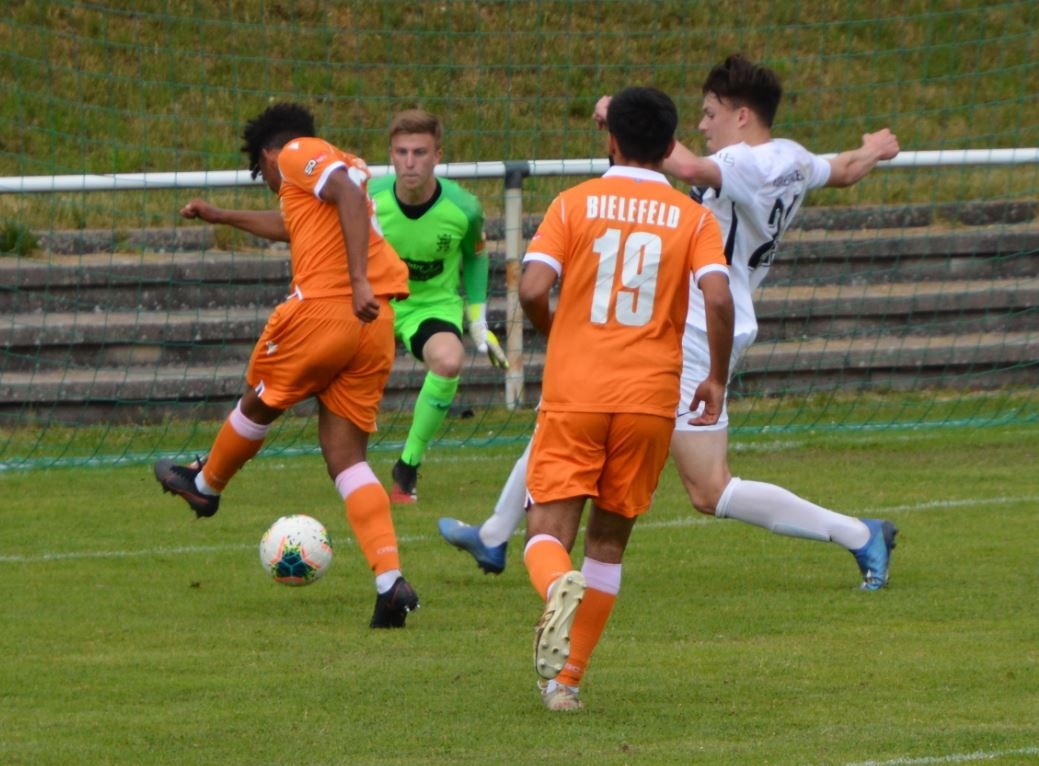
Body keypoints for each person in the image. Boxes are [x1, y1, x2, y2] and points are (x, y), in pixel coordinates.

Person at [439, 53, 902, 591]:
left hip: (696, 328)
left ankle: (859, 534)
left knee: (709, 489)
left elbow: (684, 167)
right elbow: (842, 170)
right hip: (700, 318)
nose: (703, 126)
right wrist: (874, 149)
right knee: (569, 408)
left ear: (742, 116)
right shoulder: (793, 158)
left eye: (710, 113)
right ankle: (496, 533)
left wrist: (622, 117)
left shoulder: (746, 162)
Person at [154, 102, 420, 629]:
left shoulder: (299, 151)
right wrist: (222, 215)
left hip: (328, 309)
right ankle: (390, 584)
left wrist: (357, 281)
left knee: (258, 398)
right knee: (347, 458)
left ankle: (206, 485)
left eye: (262, 171)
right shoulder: (333, 167)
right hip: (374, 324)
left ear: (270, 154)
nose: (269, 183)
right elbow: (294, 224)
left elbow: (345, 195)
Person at [519, 85, 734, 711]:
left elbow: (532, 288)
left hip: (577, 392)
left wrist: (556, 333)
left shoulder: (573, 203)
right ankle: (566, 684)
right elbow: (719, 298)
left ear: (611, 139)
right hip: (649, 399)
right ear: (669, 148)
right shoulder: (693, 217)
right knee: (608, 545)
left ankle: (557, 587)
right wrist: (716, 378)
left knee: (545, 534)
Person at [367, 109, 507, 505]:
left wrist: (477, 320)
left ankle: (407, 465)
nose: (410, 162)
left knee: (448, 360)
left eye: (420, 152)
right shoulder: (368, 198)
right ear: (391, 155)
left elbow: (476, 256)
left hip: (431, 305)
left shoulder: (464, 208)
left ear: (438, 156)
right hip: (374, 301)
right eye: (402, 152)